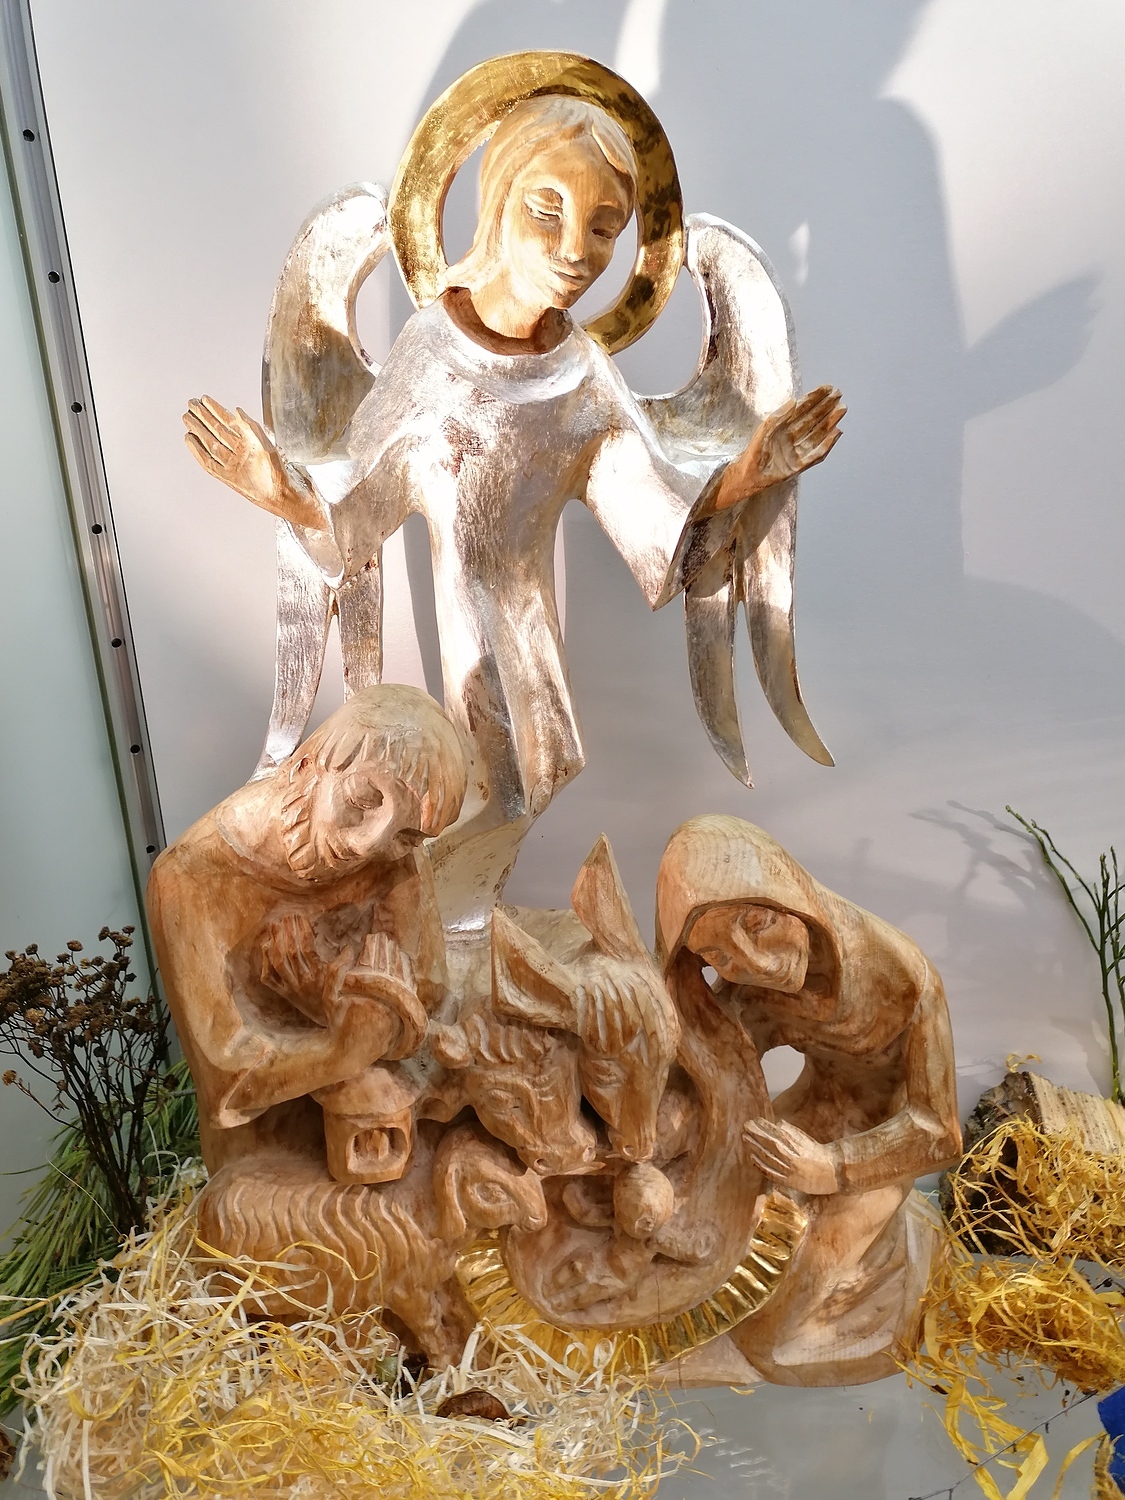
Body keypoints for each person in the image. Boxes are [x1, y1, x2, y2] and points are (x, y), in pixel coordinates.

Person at [181, 96, 844, 931]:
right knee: (492, 792)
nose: (576, 252)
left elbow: (652, 514)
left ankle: (436, 929)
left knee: (535, 778)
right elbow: (359, 509)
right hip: (467, 618)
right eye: (547, 210)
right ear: (496, 205)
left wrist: (753, 468)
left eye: (604, 227)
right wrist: (275, 487)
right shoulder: (432, 350)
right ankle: (418, 926)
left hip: (529, 615)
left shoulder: (580, 370)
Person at [656, 814, 961, 1385]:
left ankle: (884, 1279)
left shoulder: (905, 979)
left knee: (769, 1336)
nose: (752, 962)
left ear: (791, 898)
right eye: (716, 955)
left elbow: (939, 1131)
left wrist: (831, 1167)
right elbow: (715, 1069)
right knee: (701, 1231)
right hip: (801, 1123)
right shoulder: (749, 983)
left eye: (758, 923)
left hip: (878, 1150)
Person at [146, 684, 466, 1173]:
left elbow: (428, 998)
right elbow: (228, 1082)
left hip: (378, 1126)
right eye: (363, 797)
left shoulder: (396, 864)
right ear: (305, 765)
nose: (367, 844)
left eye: (407, 835)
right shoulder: (191, 877)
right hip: (264, 1150)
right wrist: (343, 1047)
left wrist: (324, 997)